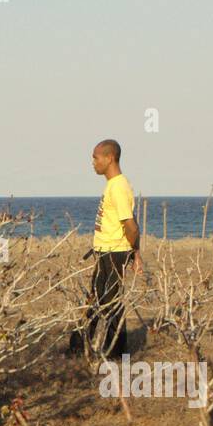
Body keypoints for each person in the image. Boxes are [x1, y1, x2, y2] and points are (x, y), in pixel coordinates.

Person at [69, 139, 143, 359]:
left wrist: (134, 254)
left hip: (114, 253)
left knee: (110, 304)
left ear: (109, 158)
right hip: (105, 252)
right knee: (96, 300)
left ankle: (117, 354)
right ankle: (78, 348)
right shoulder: (113, 185)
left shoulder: (119, 186)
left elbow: (130, 225)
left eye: (96, 157)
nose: (93, 162)